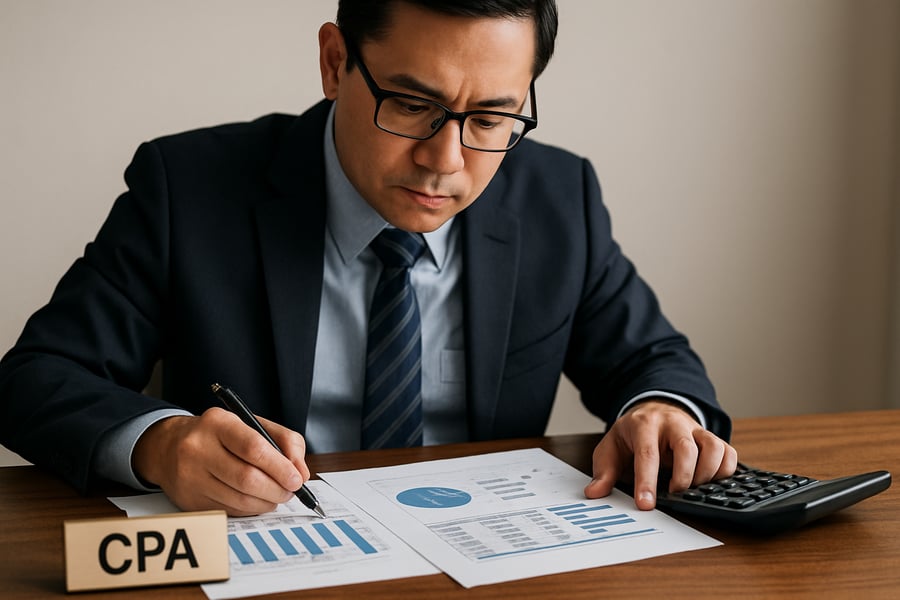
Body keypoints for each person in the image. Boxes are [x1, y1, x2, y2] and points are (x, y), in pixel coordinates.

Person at [0, 0, 737, 517]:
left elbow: (654, 360)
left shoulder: (556, 196)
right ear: (333, 62)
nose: (445, 161)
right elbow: (35, 379)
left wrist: (659, 411)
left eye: (490, 118)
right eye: (413, 106)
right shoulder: (188, 188)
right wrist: (161, 445)